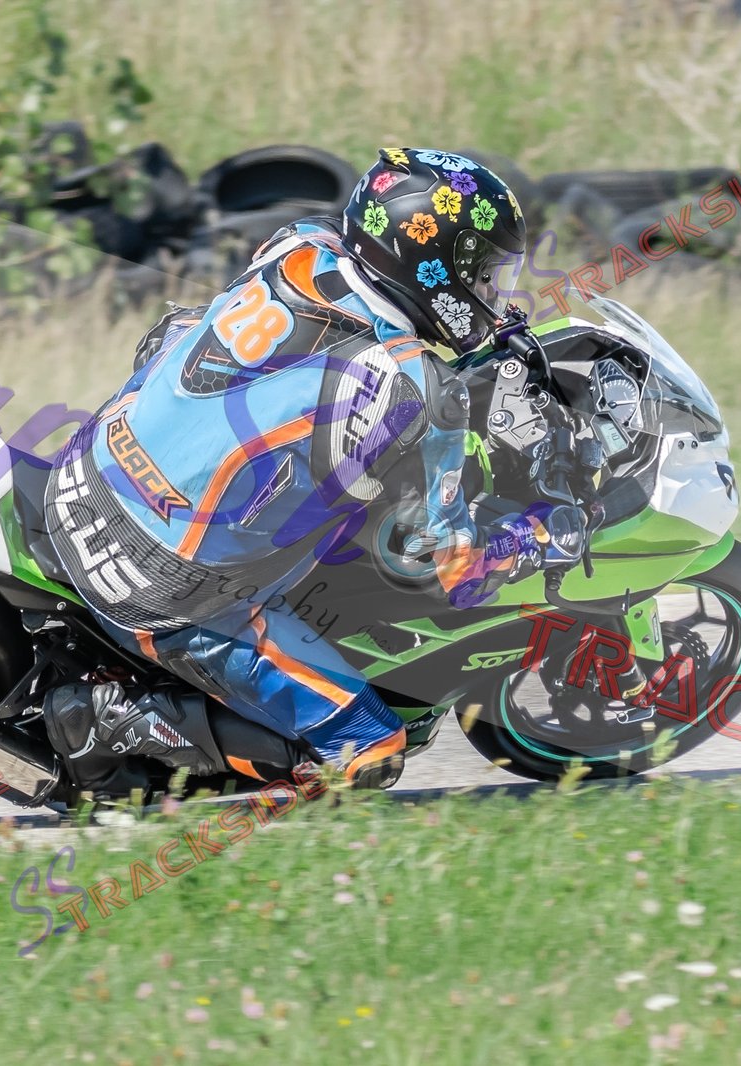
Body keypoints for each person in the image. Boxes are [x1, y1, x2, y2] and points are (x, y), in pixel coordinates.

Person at [42, 147, 590, 792]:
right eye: (486, 274)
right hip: (161, 580)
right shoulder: (413, 385)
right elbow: (454, 569)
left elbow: (169, 335)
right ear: (436, 266)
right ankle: (121, 722)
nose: (492, 293)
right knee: (373, 750)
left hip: (84, 469)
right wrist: (545, 534)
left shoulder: (298, 245)